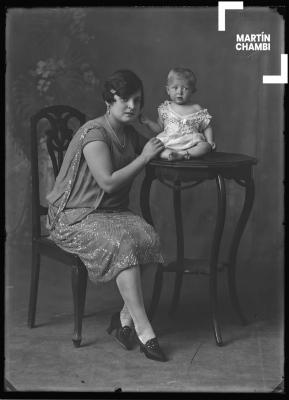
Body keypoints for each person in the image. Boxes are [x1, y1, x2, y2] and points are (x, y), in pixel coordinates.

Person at [46, 70, 168, 362]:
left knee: (149, 237)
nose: (131, 106)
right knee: (123, 244)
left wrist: (153, 128)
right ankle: (145, 330)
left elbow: (161, 146)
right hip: (75, 215)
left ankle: (124, 321)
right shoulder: (95, 133)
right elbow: (109, 182)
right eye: (124, 100)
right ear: (108, 101)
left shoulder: (129, 133)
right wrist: (144, 157)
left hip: (111, 213)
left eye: (137, 101)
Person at [140, 67, 216, 160]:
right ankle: (170, 155)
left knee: (205, 147)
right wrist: (148, 122)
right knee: (158, 149)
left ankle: (183, 154)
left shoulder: (197, 108)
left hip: (191, 143)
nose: (179, 92)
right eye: (175, 88)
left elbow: (207, 127)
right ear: (168, 90)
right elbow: (160, 128)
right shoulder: (165, 108)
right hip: (170, 143)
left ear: (193, 91)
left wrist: (210, 141)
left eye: (185, 88)